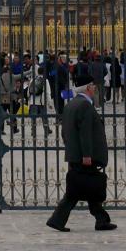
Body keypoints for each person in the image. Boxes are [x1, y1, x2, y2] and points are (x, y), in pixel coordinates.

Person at [46, 73, 115, 232]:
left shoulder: (72, 104)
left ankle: (101, 220)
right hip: (84, 156)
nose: (96, 89)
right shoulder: (84, 105)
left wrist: (71, 148)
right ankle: (57, 220)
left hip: (75, 154)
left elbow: (64, 131)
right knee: (74, 192)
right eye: (94, 86)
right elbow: (85, 132)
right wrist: (86, 155)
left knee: (87, 187)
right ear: (89, 88)